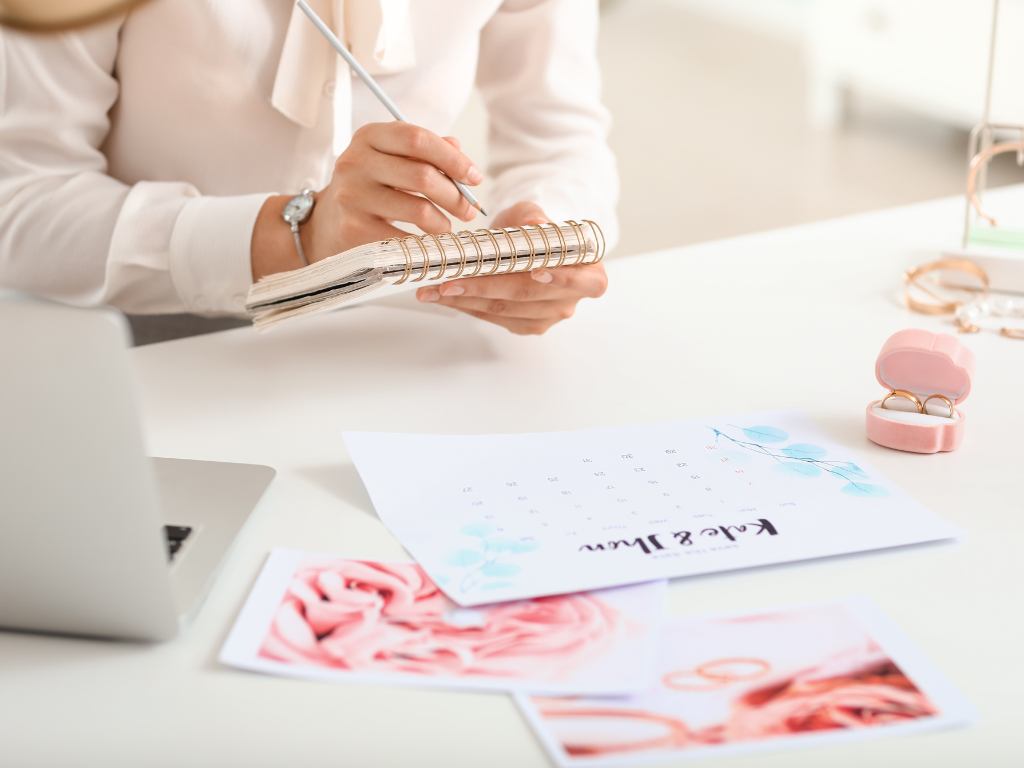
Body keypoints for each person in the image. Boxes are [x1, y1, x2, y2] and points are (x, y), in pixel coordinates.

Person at [0, 0, 618, 338]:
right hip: (123, 353)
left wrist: (543, 246)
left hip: (386, 344)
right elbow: (19, 205)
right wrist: (297, 238)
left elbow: (560, 138)